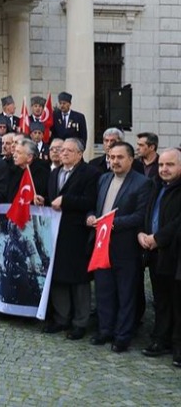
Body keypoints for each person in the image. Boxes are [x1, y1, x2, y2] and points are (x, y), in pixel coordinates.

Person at [88, 142, 151, 352]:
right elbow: (95, 206)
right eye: (111, 157)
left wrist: (112, 224)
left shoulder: (142, 183)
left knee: (126, 293)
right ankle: (105, 330)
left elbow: (141, 216)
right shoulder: (103, 179)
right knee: (104, 291)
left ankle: (122, 336)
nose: (114, 161)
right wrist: (91, 217)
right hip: (101, 246)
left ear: (131, 159)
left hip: (125, 248)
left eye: (119, 157)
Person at [36, 138, 100, 339]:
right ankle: (62, 318)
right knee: (58, 276)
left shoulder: (90, 173)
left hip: (77, 232)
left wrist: (67, 201)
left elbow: (91, 200)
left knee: (79, 279)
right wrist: (43, 200)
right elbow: (52, 198)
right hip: (55, 232)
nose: (63, 153)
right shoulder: (54, 173)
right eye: (62, 150)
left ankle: (80, 321)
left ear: (80, 154)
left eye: (69, 151)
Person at [138, 148, 181, 363]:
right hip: (154, 253)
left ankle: (178, 347)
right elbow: (147, 212)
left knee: (177, 301)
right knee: (161, 300)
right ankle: (160, 339)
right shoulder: (155, 185)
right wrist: (142, 233)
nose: (164, 169)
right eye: (162, 165)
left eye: (170, 165)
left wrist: (158, 238)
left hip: (174, 253)